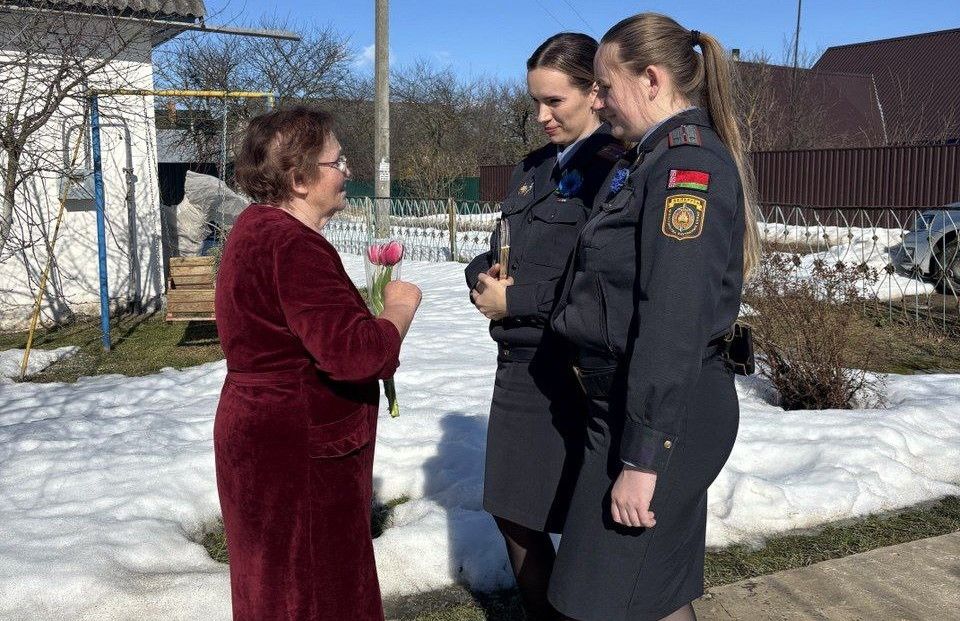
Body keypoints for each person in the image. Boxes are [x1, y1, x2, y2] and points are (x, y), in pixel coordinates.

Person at [547, 13, 761, 621]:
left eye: (605, 87)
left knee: (597, 599)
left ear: (650, 79)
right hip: (632, 409)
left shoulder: (682, 171)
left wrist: (644, 460)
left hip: (665, 417)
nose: (598, 100)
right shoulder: (644, 161)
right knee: (648, 596)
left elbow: (671, 320)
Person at [213, 106, 421, 621]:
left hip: (262, 433)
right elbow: (356, 356)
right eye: (338, 161)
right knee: (314, 586)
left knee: (274, 580)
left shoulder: (254, 229)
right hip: (298, 445)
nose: (347, 171)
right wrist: (398, 308)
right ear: (301, 179)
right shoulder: (292, 245)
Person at [465, 32, 625, 620]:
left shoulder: (616, 169)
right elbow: (502, 248)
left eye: (555, 101)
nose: (541, 116)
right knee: (511, 509)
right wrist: (482, 274)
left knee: (583, 518)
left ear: (596, 94)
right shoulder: (532, 170)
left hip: (575, 370)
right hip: (520, 369)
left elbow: (599, 280)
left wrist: (518, 300)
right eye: (535, 101)